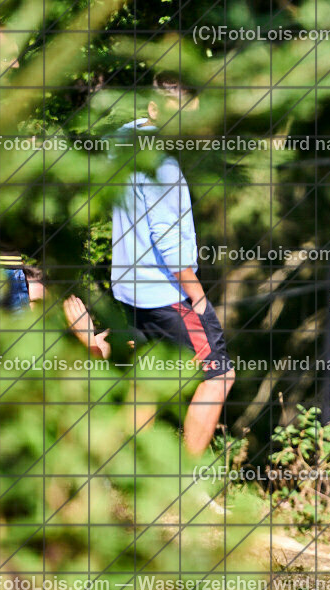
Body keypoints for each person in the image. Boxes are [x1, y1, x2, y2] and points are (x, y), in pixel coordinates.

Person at [110, 75, 234, 455]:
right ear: (154, 109)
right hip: (167, 293)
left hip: (126, 288)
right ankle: (185, 483)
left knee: (145, 381)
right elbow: (166, 240)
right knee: (219, 375)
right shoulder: (162, 167)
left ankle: (128, 480)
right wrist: (197, 297)